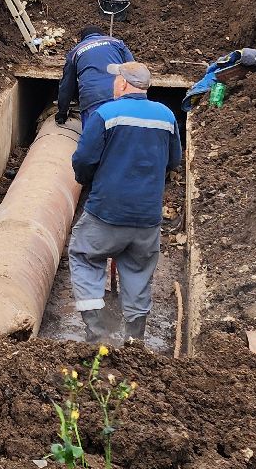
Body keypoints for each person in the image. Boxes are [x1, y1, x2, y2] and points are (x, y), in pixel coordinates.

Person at [68, 60, 180, 345]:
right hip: (147, 217)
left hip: (106, 212)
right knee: (139, 270)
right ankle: (134, 340)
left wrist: (86, 180)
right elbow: (174, 160)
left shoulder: (106, 114)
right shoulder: (166, 116)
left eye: (115, 79)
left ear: (122, 83)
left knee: (84, 254)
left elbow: (83, 159)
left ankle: (97, 331)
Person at [55, 25, 133, 125]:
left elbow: (67, 85)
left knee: (92, 138)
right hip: (120, 96)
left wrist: (62, 112)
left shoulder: (75, 52)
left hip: (92, 100)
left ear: (83, 39)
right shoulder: (117, 43)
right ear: (102, 35)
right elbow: (134, 70)